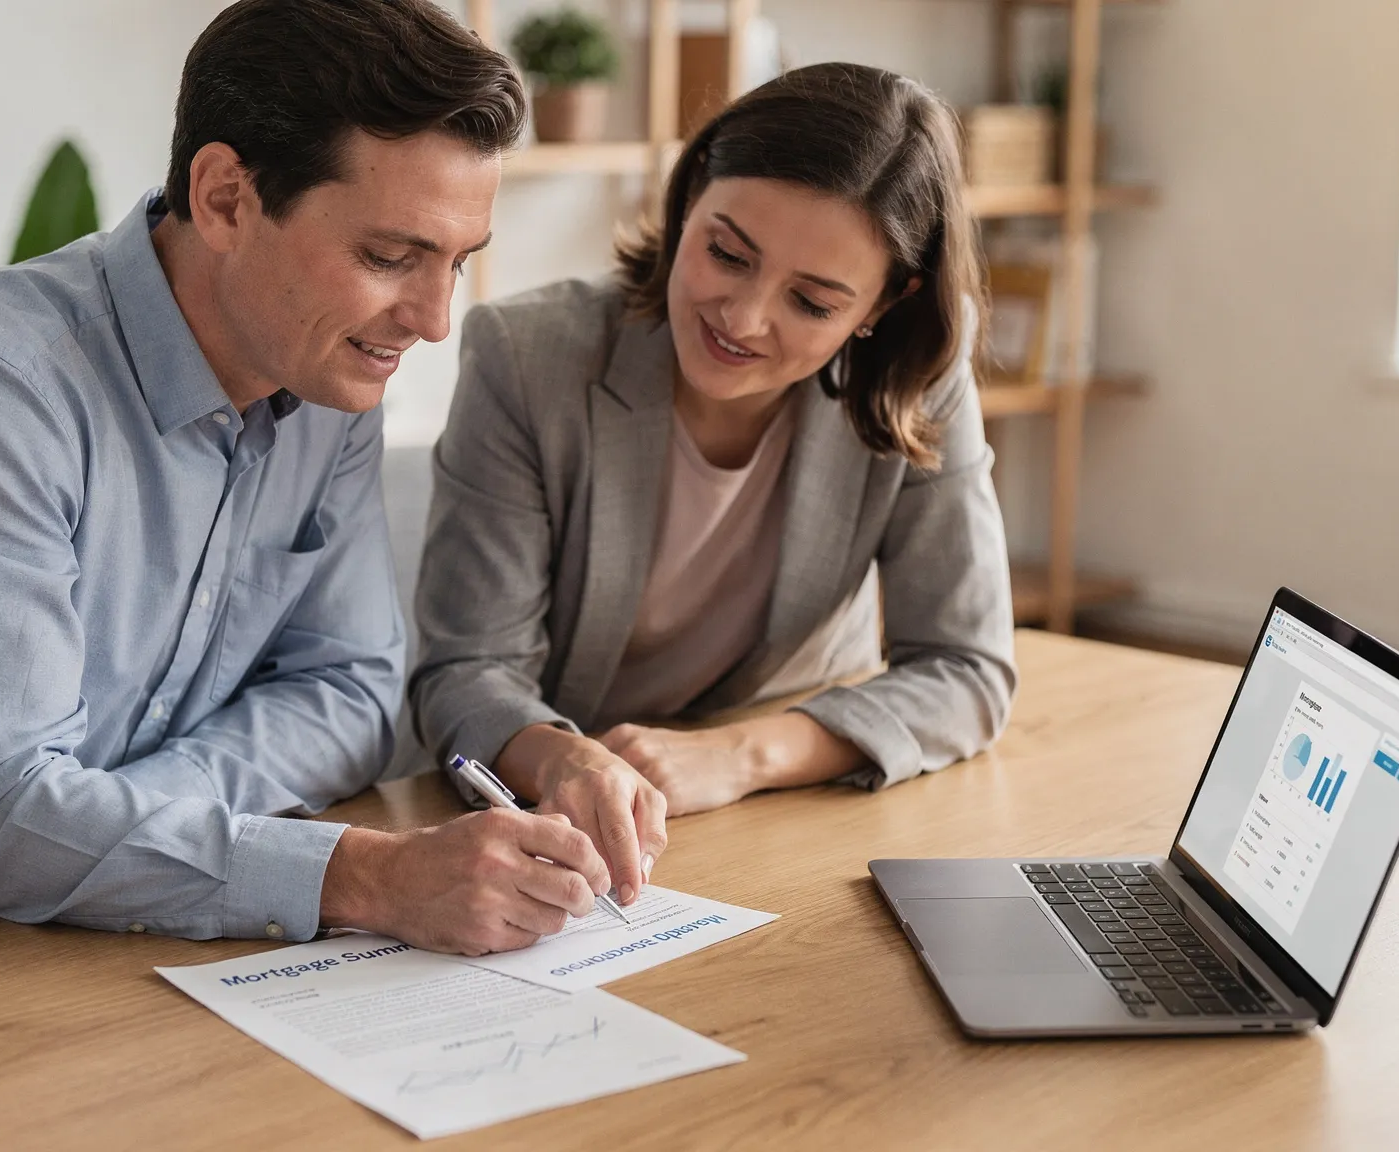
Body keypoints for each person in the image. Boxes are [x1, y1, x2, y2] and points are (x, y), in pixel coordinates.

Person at [0, 0, 611, 985]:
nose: (433, 320)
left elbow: (350, 691)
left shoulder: (327, 382)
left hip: (37, 946)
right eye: (388, 258)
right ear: (224, 197)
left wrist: (94, 822)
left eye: (456, 263)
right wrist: (364, 874)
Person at [409, 63, 1020, 906]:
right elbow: (463, 671)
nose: (742, 319)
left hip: (788, 813)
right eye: (726, 253)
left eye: (812, 302)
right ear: (690, 192)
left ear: (886, 302)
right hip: (580, 829)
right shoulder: (528, 357)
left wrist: (742, 756)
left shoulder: (919, 379)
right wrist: (565, 755)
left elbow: (966, 668)